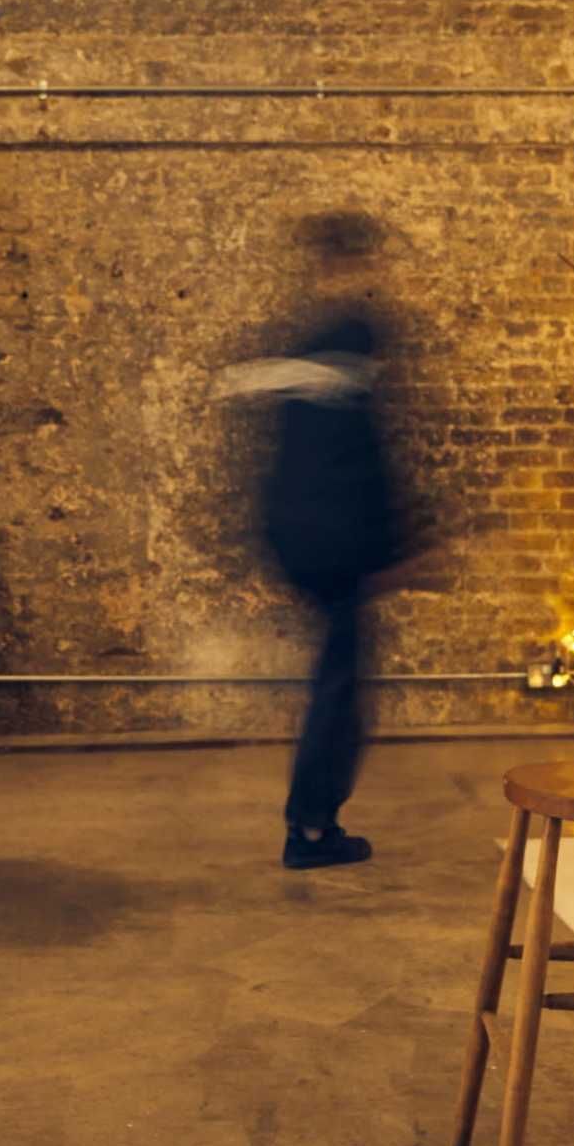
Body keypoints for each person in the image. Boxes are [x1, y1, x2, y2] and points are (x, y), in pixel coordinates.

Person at [221, 209, 420, 871]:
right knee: (340, 687)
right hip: (333, 544)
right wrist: (389, 551)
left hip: (301, 537)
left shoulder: (305, 343)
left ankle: (313, 821)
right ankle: (310, 829)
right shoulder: (353, 341)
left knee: (337, 682)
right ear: (354, 263)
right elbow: (360, 459)